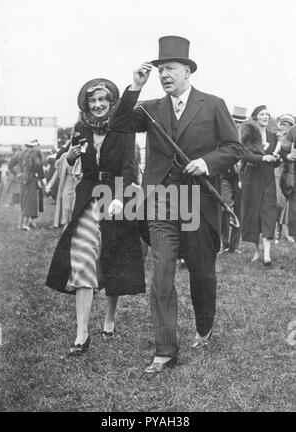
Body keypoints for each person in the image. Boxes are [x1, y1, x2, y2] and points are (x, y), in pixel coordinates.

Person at [110, 36, 243, 373]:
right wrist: (134, 88)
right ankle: (165, 350)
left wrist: (207, 162)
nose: (163, 74)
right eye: (159, 69)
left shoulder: (213, 104)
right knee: (162, 277)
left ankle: (204, 327)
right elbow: (119, 124)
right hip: (160, 202)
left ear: (187, 70)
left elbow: (233, 148)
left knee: (201, 270)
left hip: (198, 202)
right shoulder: (150, 108)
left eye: (169, 68)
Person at [46, 78, 145, 355]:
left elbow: (128, 166)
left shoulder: (124, 126)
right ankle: (82, 333)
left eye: (103, 99)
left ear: (112, 102)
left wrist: (118, 198)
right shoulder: (81, 127)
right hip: (89, 192)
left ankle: (110, 319)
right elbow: (69, 158)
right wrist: (70, 155)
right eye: (93, 100)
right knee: (83, 254)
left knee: (114, 255)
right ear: (86, 104)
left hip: (118, 193)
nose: (98, 105)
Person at [240, 105, 280, 266]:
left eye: (267, 114)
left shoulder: (273, 136)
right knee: (252, 213)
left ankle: (267, 255)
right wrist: (263, 158)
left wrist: (277, 158)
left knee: (269, 211)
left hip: (268, 177)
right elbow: (245, 155)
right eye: (262, 114)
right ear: (255, 117)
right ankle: (257, 250)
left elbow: (276, 163)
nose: (265, 116)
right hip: (252, 177)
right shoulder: (249, 134)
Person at [220, 106, 247, 254]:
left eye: (241, 122)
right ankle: (225, 243)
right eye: (236, 121)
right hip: (226, 175)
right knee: (225, 207)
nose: (238, 124)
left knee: (239, 209)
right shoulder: (224, 133)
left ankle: (234, 246)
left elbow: (249, 153)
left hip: (241, 177)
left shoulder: (247, 135)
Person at [8, 139, 46, 230]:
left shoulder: (19, 154)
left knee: (24, 201)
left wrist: (17, 174)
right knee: (30, 202)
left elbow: (10, 166)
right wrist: (42, 179)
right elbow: (39, 167)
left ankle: (23, 223)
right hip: (32, 180)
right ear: (34, 145)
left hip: (23, 180)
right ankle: (25, 224)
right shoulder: (36, 153)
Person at [45, 141, 81, 229]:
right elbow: (57, 172)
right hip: (67, 183)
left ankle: (76, 229)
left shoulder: (84, 157)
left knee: (76, 205)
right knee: (66, 206)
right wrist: (49, 185)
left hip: (79, 183)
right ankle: (66, 227)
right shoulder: (64, 156)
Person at [274, 114, 295, 243]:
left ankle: (287, 233)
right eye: (282, 124)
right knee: (278, 201)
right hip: (278, 171)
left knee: (288, 203)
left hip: (291, 172)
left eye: (286, 124)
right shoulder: (278, 138)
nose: (283, 127)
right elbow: (278, 152)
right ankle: (276, 231)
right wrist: (286, 156)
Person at [280, 119, 296, 239]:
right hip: (293, 176)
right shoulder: (293, 131)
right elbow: (283, 150)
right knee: (294, 213)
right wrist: (288, 156)